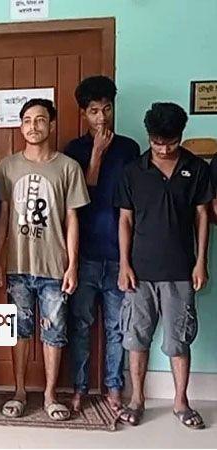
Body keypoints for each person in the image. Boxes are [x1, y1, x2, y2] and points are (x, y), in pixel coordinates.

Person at [116, 102, 211, 430]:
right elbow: (125, 220)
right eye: (158, 142)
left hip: (181, 270)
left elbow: (202, 216)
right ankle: (137, 400)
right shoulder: (133, 171)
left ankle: (181, 402)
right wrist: (124, 264)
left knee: (178, 340)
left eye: (171, 142)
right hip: (139, 271)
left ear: (181, 136)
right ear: (149, 137)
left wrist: (201, 262)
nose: (164, 149)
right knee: (136, 338)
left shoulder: (195, 168)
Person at [0, 99, 89, 421]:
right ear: (20, 126)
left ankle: (50, 395)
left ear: (51, 124)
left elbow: (72, 219)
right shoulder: (7, 168)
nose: (33, 126)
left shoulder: (68, 167)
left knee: (54, 333)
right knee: (19, 331)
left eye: (40, 120)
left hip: (54, 268)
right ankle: (19, 391)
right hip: (17, 265)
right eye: (27, 120)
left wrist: (72, 265)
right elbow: (2, 218)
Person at [64, 76, 140, 413]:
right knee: (80, 326)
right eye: (94, 111)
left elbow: (133, 204)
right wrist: (95, 154)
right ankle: (79, 388)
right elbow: (78, 198)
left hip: (118, 254)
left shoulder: (129, 149)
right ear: (84, 113)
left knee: (116, 327)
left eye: (107, 109)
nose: (102, 117)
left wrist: (128, 259)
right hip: (84, 255)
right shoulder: (73, 150)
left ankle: (114, 388)